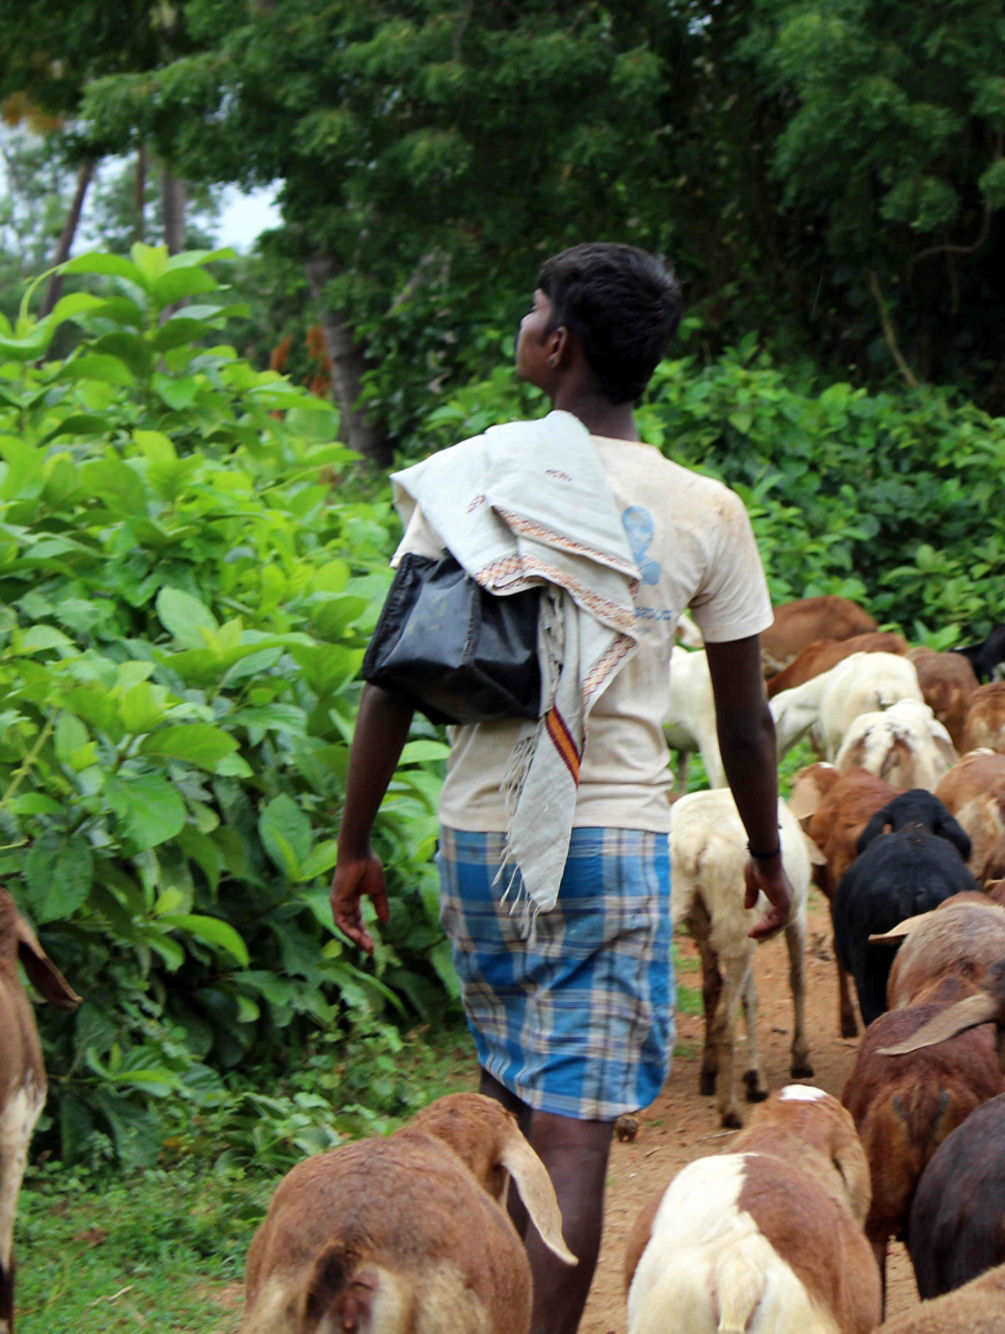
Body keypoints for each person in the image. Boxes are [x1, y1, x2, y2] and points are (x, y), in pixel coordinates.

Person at [330, 242, 792, 1334]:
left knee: (503, 1101)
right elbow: (742, 717)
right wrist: (766, 847)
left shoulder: (475, 476)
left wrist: (354, 841)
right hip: (613, 835)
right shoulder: (703, 510)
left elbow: (392, 681)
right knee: (574, 1128)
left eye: (536, 306)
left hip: (477, 838)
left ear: (557, 345)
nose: (528, 320)